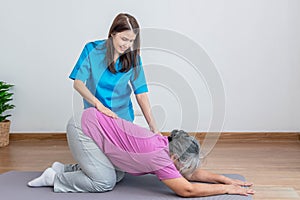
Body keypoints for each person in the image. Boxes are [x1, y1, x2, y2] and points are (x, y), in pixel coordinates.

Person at [28, 108, 255, 197]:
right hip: (83, 128)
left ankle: (62, 169)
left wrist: (227, 180)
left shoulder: (167, 145)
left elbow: (191, 174)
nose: (185, 170)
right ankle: (56, 178)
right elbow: (187, 188)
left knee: (117, 175)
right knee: (104, 182)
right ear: (175, 159)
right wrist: (226, 189)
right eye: (183, 165)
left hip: (95, 128)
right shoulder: (160, 158)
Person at [69, 13, 159, 133]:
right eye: (124, 39)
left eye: (131, 41)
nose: (127, 45)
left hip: (122, 118)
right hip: (97, 114)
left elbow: (141, 95)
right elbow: (78, 83)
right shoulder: (91, 49)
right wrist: (98, 105)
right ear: (113, 33)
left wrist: (153, 126)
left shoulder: (134, 59)